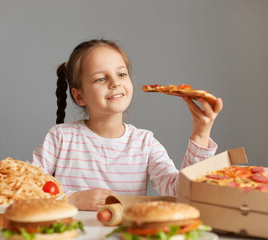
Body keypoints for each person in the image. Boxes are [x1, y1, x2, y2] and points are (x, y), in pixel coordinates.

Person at [27, 39, 223, 210]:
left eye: (121, 74)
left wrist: (201, 133)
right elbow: (26, 188)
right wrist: (71, 199)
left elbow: (181, 191)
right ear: (79, 96)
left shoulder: (144, 143)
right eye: (101, 78)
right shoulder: (61, 137)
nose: (115, 83)